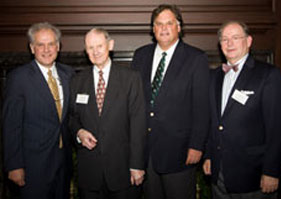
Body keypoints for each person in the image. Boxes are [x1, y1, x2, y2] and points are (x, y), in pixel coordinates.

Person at [131, 4, 210, 199]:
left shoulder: (196, 58)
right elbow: (134, 102)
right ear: (153, 29)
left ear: (179, 27)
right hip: (147, 152)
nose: (164, 28)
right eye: (158, 24)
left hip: (180, 153)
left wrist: (197, 145)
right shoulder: (140, 55)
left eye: (169, 23)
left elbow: (202, 107)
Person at [203, 20, 281, 199]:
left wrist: (272, 171)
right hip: (219, 175)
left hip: (253, 176)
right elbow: (213, 121)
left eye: (235, 38)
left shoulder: (268, 75)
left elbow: (278, 128)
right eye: (224, 39)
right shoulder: (215, 76)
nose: (229, 43)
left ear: (248, 41)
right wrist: (209, 156)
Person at [69, 28, 146, 199]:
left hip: (123, 171)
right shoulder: (77, 81)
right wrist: (79, 132)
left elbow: (138, 124)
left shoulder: (131, 79)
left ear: (110, 45)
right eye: (90, 47)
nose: (95, 52)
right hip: (89, 174)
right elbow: (72, 118)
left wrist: (137, 165)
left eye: (99, 46)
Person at [2, 22, 74, 199]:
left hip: (63, 164)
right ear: (32, 48)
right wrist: (14, 165)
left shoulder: (69, 74)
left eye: (51, 44)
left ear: (58, 46)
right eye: (40, 44)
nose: (46, 49)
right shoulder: (18, 78)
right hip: (32, 167)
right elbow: (11, 126)